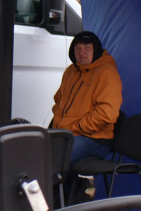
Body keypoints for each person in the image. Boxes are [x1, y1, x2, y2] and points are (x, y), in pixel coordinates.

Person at [50, 31, 123, 164]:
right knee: (34, 148)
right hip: (67, 133)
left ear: (95, 51)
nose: (82, 52)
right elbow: (58, 101)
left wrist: (76, 127)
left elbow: (107, 115)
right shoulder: (70, 71)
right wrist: (60, 123)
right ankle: (69, 184)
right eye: (78, 48)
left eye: (87, 48)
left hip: (94, 140)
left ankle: (60, 184)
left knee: (54, 157)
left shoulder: (107, 73)